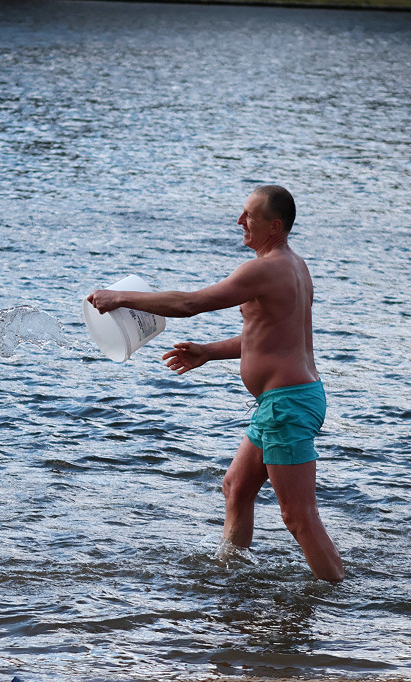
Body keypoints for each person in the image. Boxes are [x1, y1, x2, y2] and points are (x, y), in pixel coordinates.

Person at [87, 185, 344, 582]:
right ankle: (230, 577)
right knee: (235, 488)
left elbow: (190, 304)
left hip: (287, 406)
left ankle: (340, 597)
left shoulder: (264, 268)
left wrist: (122, 298)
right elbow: (270, 338)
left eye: (249, 216)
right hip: (283, 402)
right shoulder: (294, 265)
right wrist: (209, 351)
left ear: (274, 226)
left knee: (298, 517)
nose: (239, 221)